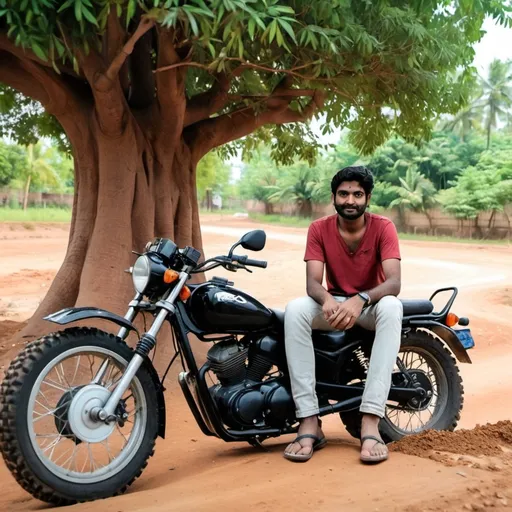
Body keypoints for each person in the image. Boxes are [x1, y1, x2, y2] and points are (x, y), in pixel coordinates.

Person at [283, 166, 403, 464]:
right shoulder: (319, 228)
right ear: (334, 197)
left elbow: (393, 282)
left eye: (357, 194)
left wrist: (360, 299)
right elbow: (313, 281)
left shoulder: (383, 227)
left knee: (392, 306)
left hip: (370, 304)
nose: (351, 200)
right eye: (344, 194)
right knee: (295, 310)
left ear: (368, 198)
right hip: (334, 304)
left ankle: (371, 421)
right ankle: (309, 420)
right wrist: (326, 299)